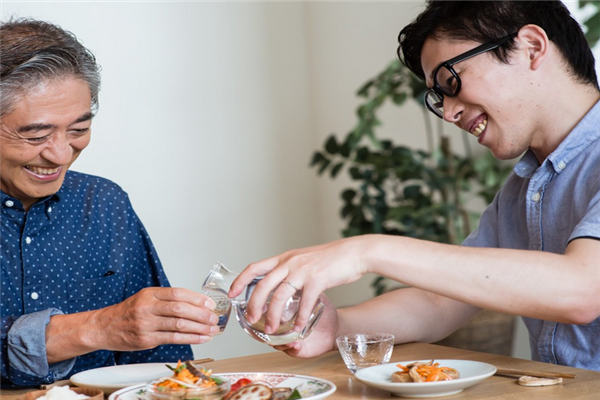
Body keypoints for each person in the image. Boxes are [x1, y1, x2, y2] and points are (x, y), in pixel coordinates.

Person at [230, 0, 600, 371]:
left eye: (451, 81)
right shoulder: (524, 188)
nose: (451, 113)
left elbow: (582, 289)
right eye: (439, 98)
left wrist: (366, 251)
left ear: (531, 47)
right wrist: (339, 326)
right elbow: (439, 303)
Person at [0, 19, 220, 387]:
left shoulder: (104, 203)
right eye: (36, 134)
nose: (59, 154)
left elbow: (161, 363)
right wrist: (95, 327)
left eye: (78, 130)